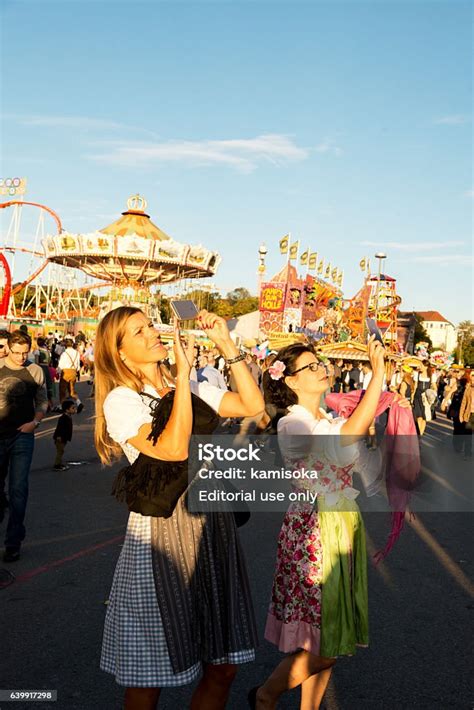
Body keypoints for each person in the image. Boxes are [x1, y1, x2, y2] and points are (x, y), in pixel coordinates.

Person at [94, 306, 264, 710]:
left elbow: (251, 405)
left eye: (149, 324)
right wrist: (183, 381)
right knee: (149, 674)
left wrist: (226, 343)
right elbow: (172, 449)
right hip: (163, 533)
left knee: (223, 667)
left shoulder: (182, 381)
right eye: (139, 331)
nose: (153, 333)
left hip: (211, 523)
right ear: (120, 353)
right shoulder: (121, 400)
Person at [250, 336, 396, 710]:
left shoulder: (326, 418)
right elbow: (342, 443)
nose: (321, 368)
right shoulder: (292, 424)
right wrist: (377, 378)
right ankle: (266, 695)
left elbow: (362, 465)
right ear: (291, 381)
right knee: (327, 644)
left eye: (320, 362)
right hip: (313, 531)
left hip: (341, 523)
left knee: (324, 637)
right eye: (310, 366)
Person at [0, 331, 48, 562]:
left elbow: (43, 401)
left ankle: (13, 542)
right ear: (8, 348)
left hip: (23, 436)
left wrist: (35, 423)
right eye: (16, 352)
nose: (21, 358)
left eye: (25, 353)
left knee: (19, 489)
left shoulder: (35, 370)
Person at [52, 398, 77, 470]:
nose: (74, 409)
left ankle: (59, 463)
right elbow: (59, 428)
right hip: (60, 438)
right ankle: (57, 465)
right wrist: (59, 436)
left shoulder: (68, 417)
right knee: (60, 451)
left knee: (61, 451)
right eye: (72, 408)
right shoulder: (63, 418)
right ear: (67, 410)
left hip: (64, 438)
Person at [412, 360, 431, 436]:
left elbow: (434, 387)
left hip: (426, 398)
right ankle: (418, 434)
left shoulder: (431, 376)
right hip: (418, 396)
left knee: (424, 417)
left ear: (426, 367)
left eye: (421, 365)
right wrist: (412, 397)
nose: (420, 367)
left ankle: (420, 435)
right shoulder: (417, 375)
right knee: (418, 417)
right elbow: (415, 386)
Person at [459, 371, 473, 458]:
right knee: (468, 436)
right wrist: (461, 414)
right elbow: (463, 403)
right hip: (469, 414)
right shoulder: (468, 389)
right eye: (472, 376)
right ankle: (467, 454)